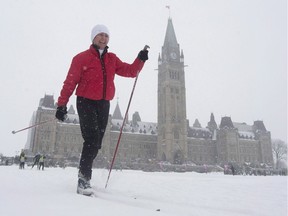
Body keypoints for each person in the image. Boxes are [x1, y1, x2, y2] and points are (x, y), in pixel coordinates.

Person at [55, 24, 148, 196]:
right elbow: (70, 82)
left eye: (106, 35)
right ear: (93, 38)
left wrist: (140, 59)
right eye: (100, 35)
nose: (103, 38)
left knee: (97, 142)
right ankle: (84, 179)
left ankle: (85, 173)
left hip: (104, 103)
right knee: (91, 139)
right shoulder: (81, 58)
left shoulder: (112, 58)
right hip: (85, 101)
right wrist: (61, 104)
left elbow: (130, 71)